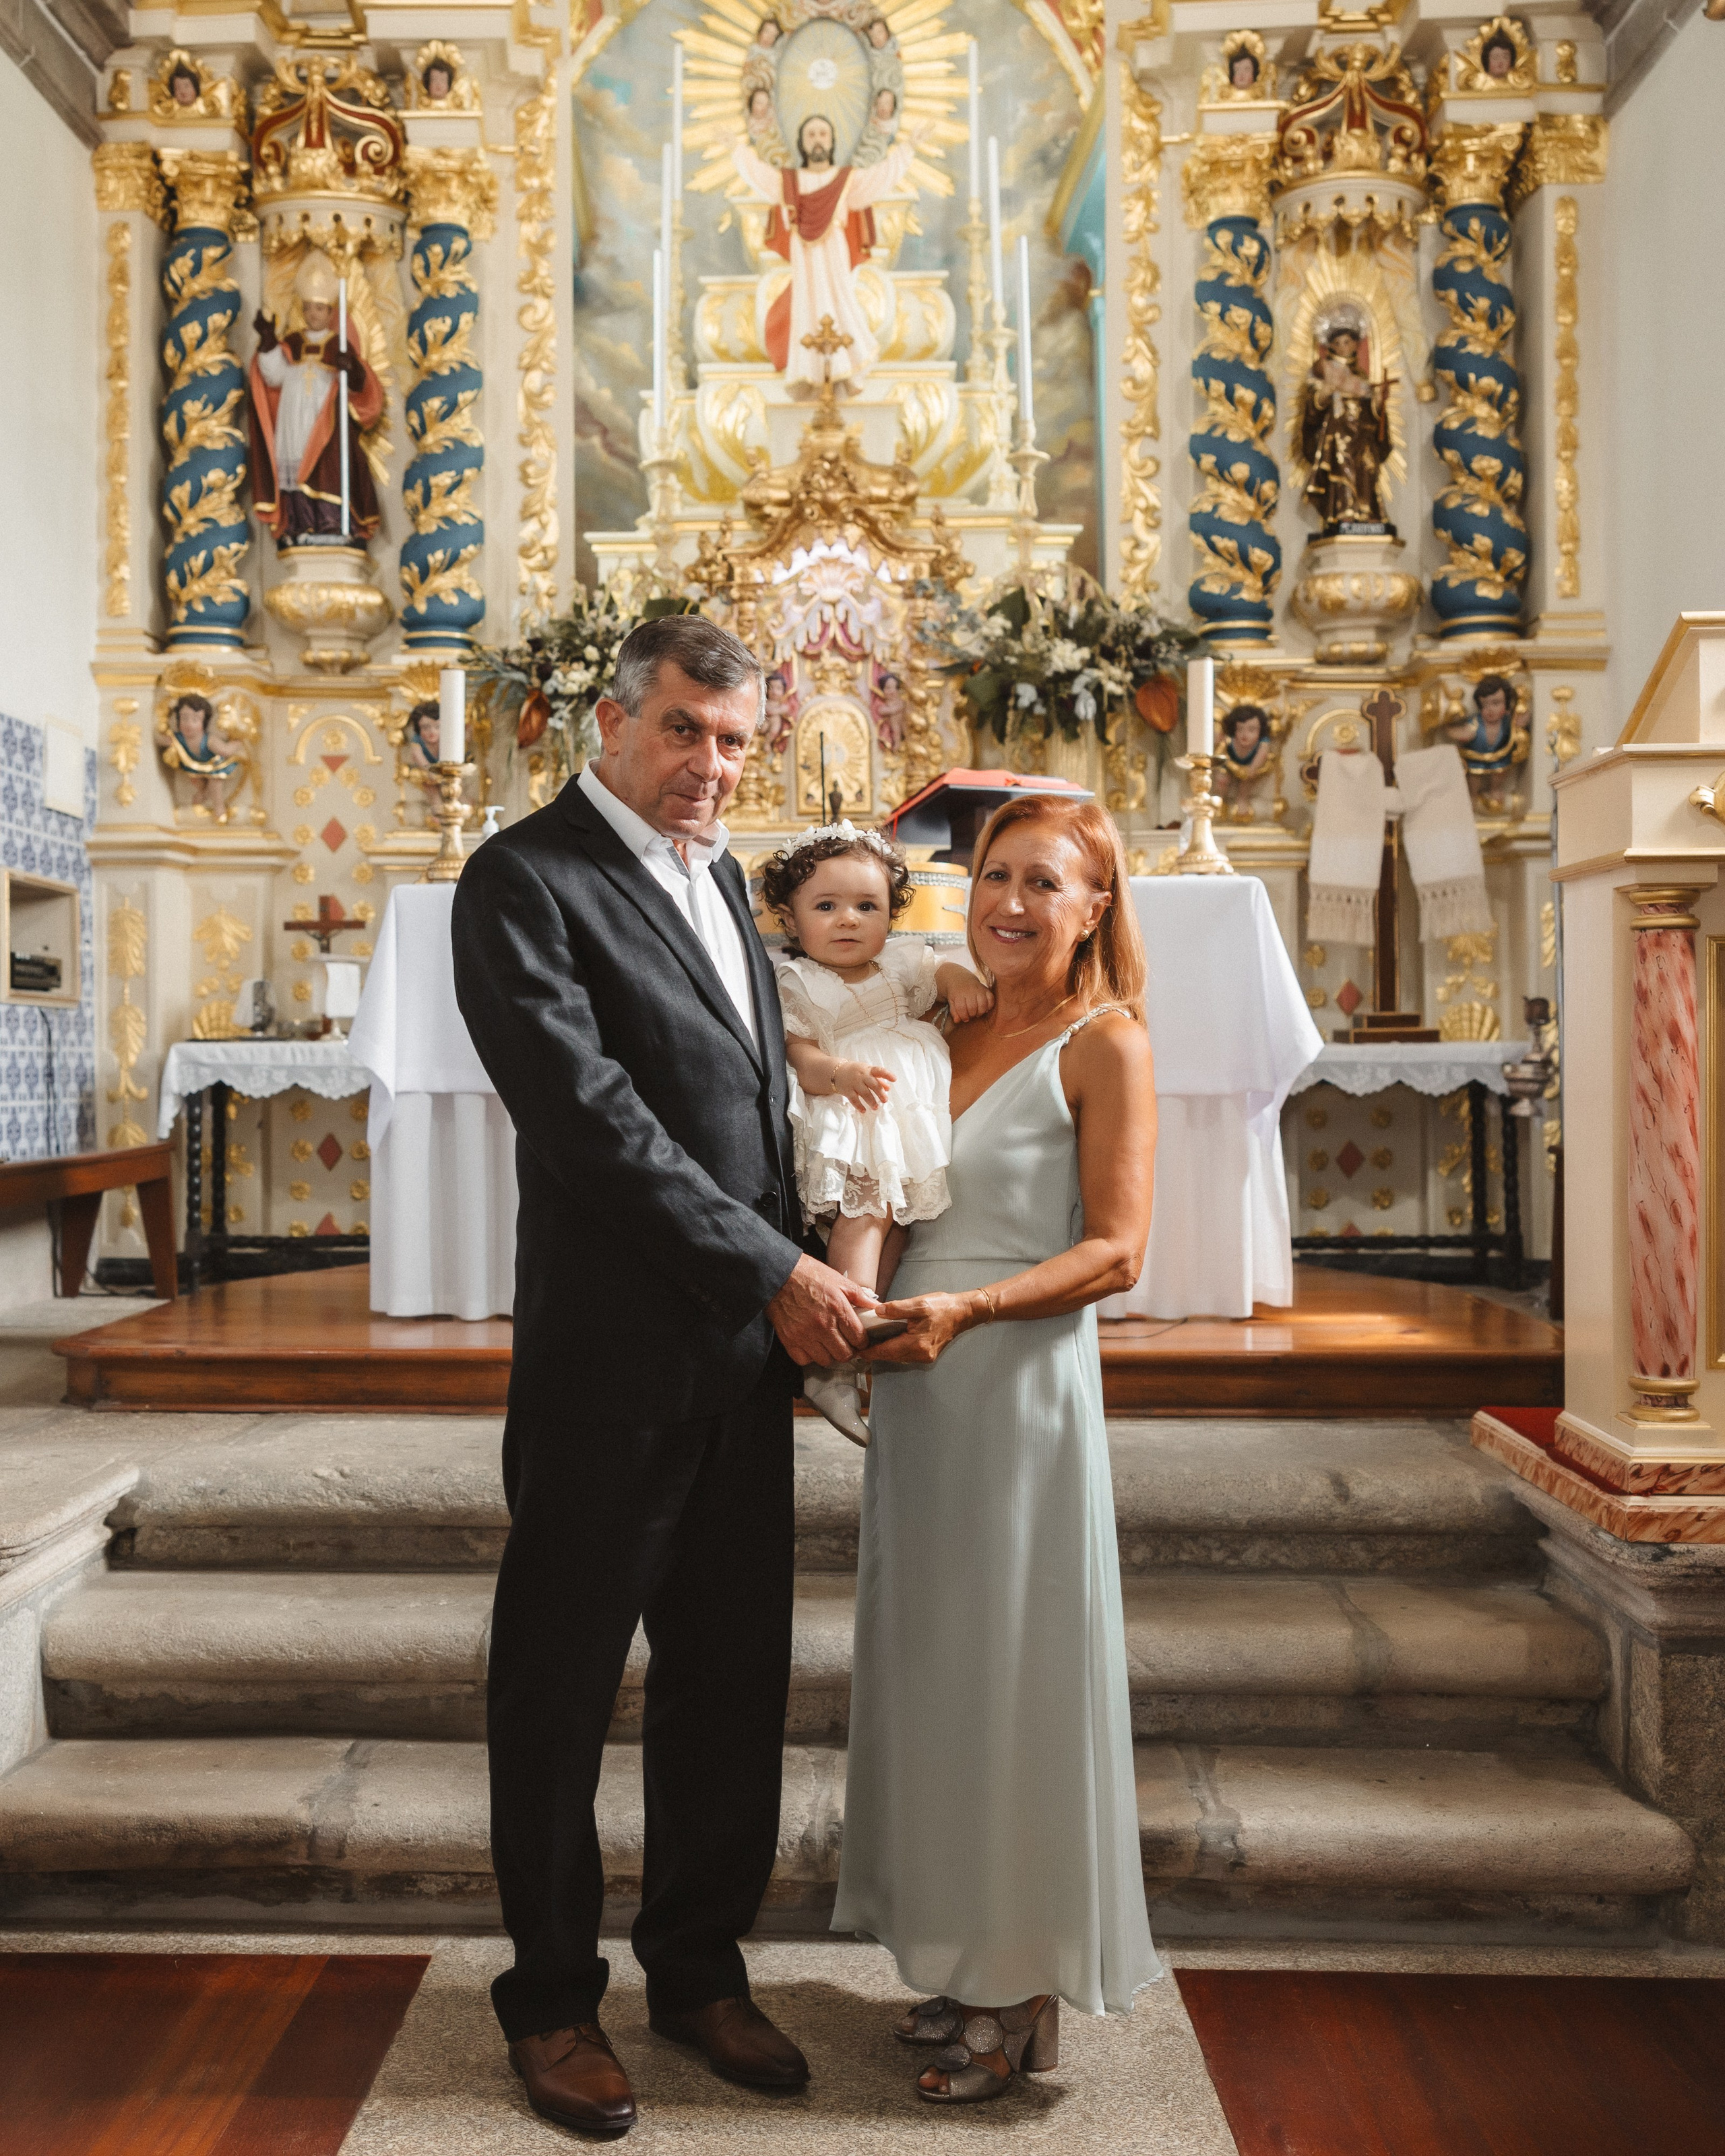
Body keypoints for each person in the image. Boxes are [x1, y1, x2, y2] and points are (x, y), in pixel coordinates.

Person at [451, 615, 875, 2138]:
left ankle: (696, 1965)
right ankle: (551, 1998)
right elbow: (590, 1119)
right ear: (616, 721)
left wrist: (817, 1269)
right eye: (687, 730)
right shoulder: (523, 877)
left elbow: (750, 1118)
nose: (712, 765)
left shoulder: (717, 889)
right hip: (606, 1360)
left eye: (736, 740)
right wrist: (772, 1269)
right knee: (557, 1688)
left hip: (734, 1363)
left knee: (728, 1680)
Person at [836, 793, 1161, 2103]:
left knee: (1016, 1677)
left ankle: (1020, 1978)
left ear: (1094, 907)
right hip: (920, 1383)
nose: (1010, 902)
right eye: (992, 875)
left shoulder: (1105, 1041)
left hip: (1013, 1379)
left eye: (1044, 881)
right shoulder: (944, 1023)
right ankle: (971, 1956)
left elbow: (1118, 1247)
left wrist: (967, 1308)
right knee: (939, 1676)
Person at [762, 822, 993, 1443]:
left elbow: (940, 972)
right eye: (827, 906)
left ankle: (856, 1343)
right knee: (863, 1222)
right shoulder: (798, 982)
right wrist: (837, 1072)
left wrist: (960, 983)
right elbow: (800, 1056)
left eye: (868, 907)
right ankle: (836, 1352)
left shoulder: (902, 962)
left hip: (903, 1118)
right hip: (858, 1114)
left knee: (894, 1228)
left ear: (892, 915)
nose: (848, 920)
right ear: (791, 916)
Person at [733, 113, 923, 387]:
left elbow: (880, 177)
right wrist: (736, 151)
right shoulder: (789, 182)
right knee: (805, 306)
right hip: (805, 261)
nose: (817, 140)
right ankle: (806, 370)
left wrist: (909, 149)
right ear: (801, 143)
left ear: (832, 141)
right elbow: (760, 176)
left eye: (823, 134)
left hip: (835, 259)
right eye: (811, 135)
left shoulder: (845, 180)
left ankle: (845, 364)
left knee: (840, 302)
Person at [247, 251, 385, 547]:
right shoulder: (292, 343)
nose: (313, 315)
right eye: (308, 309)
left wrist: (353, 369)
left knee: (327, 469)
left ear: (331, 312)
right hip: (293, 420)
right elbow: (273, 376)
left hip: (326, 423)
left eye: (320, 309)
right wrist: (269, 341)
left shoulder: (339, 344)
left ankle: (330, 523)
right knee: (295, 470)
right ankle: (299, 524)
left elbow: (361, 386)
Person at [1296, 321, 1393, 532]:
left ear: (1356, 345)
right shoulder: (1322, 372)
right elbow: (1313, 411)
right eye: (1337, 343)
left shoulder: (1362, 379)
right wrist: (1328, 390)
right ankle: (1345, 513)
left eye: (1347, 342)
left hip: (1364, 435)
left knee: (1368, 466)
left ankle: (1367, 513)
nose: (1342, 347)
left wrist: (1379, 401)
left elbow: (1374, 414)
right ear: (1331, 346)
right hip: (1339, 434)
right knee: (1343, 468)